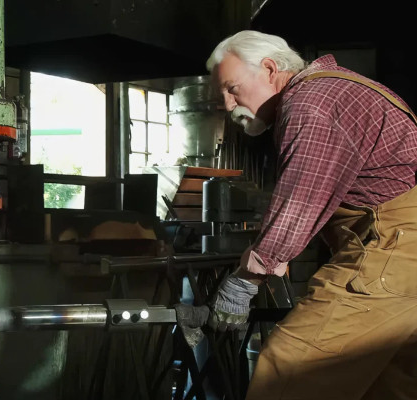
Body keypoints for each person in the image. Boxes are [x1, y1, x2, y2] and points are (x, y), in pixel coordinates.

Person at [175, 30, 417, 400]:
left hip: (393, 254)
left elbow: (299, 203)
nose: (227, 104)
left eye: (232, 88)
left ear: (270, 69)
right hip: (402, 261)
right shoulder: (338, 89)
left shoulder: (311, 104)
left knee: (290, 369)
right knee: (386, 383)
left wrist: (245, 281)